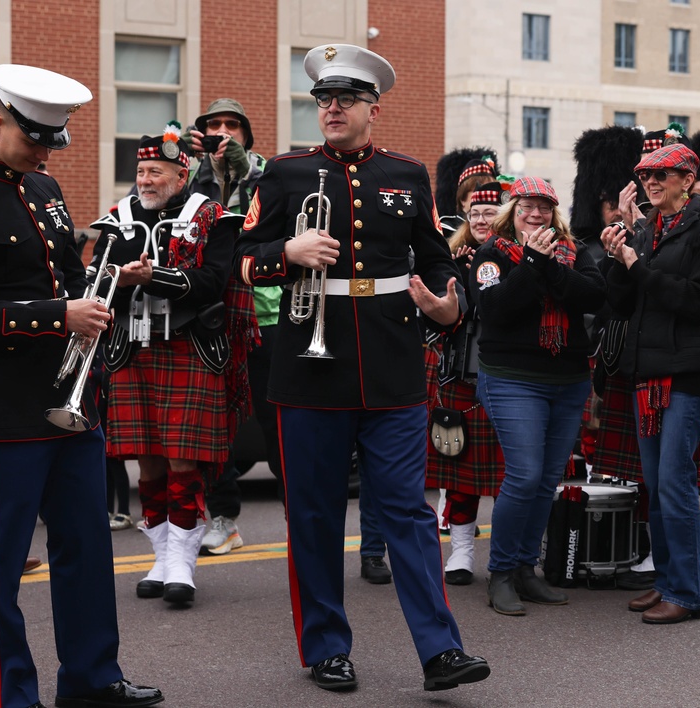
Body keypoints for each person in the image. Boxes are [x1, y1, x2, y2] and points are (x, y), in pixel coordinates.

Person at [234, 44, 490, 692]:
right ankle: (325, 647)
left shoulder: (407, 173)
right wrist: (287, 250)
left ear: (372, 107)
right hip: (308, 369)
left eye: (345, 100)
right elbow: (242, 259)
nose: (332, 109)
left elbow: (436, 258)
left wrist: (447, 302)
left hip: (392, 364)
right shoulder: (287, 175)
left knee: (406, 512)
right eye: (324, 99)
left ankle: (440, 651)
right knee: (315, 515)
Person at [0, 63, 163, 708]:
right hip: (1, 411)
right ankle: (8, 694)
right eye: (31, 139)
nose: (41, 153)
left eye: (49, 142)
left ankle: (92, 680)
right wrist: (55, 316)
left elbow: (65, 276)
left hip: (72, 401)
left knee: (86, 552)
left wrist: (115, 280)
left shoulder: (46, 187)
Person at [90, 122, 251, 606]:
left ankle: (183, 562)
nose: (145, 180)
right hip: (131, 350)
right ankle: (161, 557)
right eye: (140, 171)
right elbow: (94, 277)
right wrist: (119, 277)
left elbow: (211, 282)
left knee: (184, 459)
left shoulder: (212, 216)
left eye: (155, 171)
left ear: (182, 174)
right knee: (149, 460)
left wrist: (154, 276)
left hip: (188, 346)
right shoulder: (118, 217)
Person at [602, 142, 700, 624]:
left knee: (676, 483)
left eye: (661, 174)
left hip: (687, 373)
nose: (650, 183)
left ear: (686, 178)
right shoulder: (648, 228)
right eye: (644, 176)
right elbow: (618, 303)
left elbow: (698, 301)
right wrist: (616, 256)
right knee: (656, 485)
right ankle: (666, 584)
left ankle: (686, 593)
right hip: (648, 370)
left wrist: (638, 265)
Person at [470, 177, 605, 616]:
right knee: (525, 476)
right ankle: (502, 573)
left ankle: (527, 569)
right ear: (514, 208)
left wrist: (547, 265)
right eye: (528, 205)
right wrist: (531, 261)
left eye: (544, 207)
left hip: (567, 381)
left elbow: (593, 296)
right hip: (512, 378)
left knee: (548, 480)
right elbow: (497, 309)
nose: (536, 214)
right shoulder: (492, 253)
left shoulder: (572, 249)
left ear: (554, 211)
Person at [184, 98, 273, 556]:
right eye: (213, 125)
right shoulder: (196, 173)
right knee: (214, 418)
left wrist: (244, 170)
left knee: (274, 417)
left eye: (231, 125)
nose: (222, 132)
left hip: (262, 312)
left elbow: (274, 216)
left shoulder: (266, 170)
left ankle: (305, 516)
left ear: (246, 133)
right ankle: (222, 516)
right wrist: (184, 159)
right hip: (208, 312)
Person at [426, 181, 507, 585]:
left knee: (510, 477)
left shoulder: (516, 255)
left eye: (489, 212)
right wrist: (458, 272)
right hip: (461, 377)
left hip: (508, 378)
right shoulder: (450, 258)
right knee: (459, 475)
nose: (479, 219)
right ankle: (460, 552)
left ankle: (509, 555)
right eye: (474, 212)